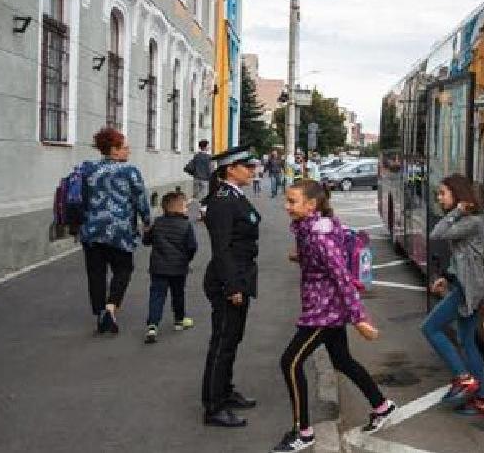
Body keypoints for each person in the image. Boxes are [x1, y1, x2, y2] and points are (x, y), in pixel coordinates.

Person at [274, 180, 395, 452]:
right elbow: (326, 263)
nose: (287, 206)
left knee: (290, 363)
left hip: (324, 311)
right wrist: (302, 258)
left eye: (292, 201)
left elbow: (342, 278)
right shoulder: (311, 229)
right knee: (342, 360)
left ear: (311, 205)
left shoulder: (319, 236)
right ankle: (382, 405)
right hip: (322, 305)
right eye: (288, 200)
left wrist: (359, 318)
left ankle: (303, 433)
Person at [421, 175, 484, 417]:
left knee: (430, 328)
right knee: (467, 341)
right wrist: (448, 278)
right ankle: (483, 399)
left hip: (469, 290)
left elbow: (436, 234)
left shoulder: (472, 221)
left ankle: (464, 378)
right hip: (468, 286)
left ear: (459, 195)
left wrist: (455, 212)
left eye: (443, 193)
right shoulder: (469, 220)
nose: (440, 198)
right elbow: (463, 259)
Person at [201, 146, 263, 428]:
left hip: (240, 275)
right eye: (246, 167)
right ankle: (213, 407)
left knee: (232, 340)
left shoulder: (232, 196)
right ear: (230, 170)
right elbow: (222, 248)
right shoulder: (224, 200)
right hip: (230, 279)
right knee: (222, 343)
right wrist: (232, 286)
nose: (252, 171)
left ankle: (225, 392)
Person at [79, 127, 150, 335]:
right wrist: (146, 221)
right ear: (113, 150)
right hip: (120, 231)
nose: (128, 152)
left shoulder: (87, 169)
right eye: (125, 148)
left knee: (96, 273)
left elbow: (81, 198)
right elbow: (141, 199)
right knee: (123, 269)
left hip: (92, 230)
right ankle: (111, 306)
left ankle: (100, 311)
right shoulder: (129, 171)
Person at [142, 190, 198, 344]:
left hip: (158, 268)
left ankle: (152, 325)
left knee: (157, 295)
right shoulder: (186, 225)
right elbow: (192, 246)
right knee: (178, 294)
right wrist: (187, 260)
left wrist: (146, 232)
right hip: (179, 268)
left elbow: (147, 242)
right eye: (185, 206)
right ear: (178, 209)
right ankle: (179, 320)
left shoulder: (157, 223)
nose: (186, 208)